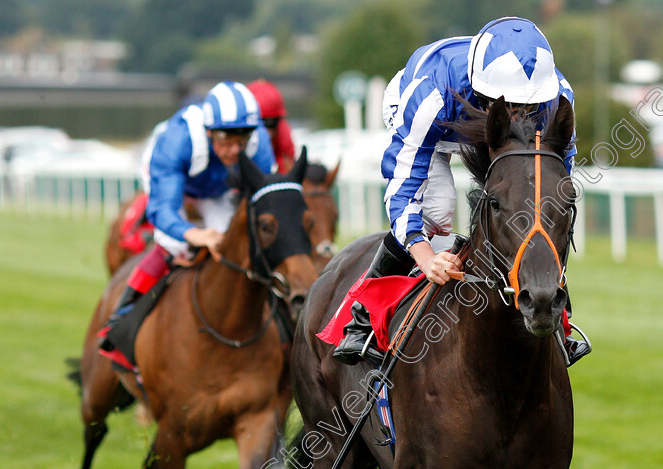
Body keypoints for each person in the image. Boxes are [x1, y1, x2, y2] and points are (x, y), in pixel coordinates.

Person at [333, 17, 591, 366]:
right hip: (435, 126)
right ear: (482, 91)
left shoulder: (554, 96)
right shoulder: (431, 95)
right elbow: (403, 184)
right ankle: (363, 314)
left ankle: (560, 318)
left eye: (525, 108)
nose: (516, 116)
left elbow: (557, 179)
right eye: (508, 106)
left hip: (482, 124)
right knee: (438, 210)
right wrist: (425, 255)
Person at [99, 80, 276, 358]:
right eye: (225, 139)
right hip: (175, 186)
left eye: (242, 139)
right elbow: (162, 211)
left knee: (237, 244)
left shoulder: (260, 143)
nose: (234, 149)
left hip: (216, 187)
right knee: (174, 244)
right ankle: (123, 318)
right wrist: (196, 234)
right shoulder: (178, 140)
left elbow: (266, 201)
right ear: (208, 132)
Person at [247, 79, 296, 173]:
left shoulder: (283, 139)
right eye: (260, 123)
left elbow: (288, 165)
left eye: (271, 122)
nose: (265, 132)